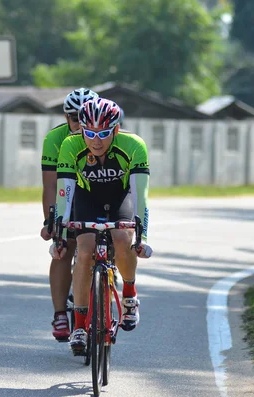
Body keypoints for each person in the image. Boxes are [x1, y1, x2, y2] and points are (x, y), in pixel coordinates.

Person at [52, 98, 153, 354]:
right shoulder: (70, 146)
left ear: (116, 130)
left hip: (119, 198)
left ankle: (129, 294)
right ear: (80, 130)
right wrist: (60, 237)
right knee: (84, 250)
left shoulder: (133, 146)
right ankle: (80, 325)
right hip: (87, 199)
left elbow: (141, 195)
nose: (96, 141)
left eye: (105, 134)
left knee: (122, 238)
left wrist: (142, 237)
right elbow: (64, 194)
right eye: (90, 133)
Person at [40, 87, 99, 342]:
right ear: (67, 119)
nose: (81, 123)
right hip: (68, 197)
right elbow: (51, 186)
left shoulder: (103, 136)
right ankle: (61, 313)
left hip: (99, 193)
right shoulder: (56, 139)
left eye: (86, 116)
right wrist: (51, 223)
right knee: (65, 244)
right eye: (75, 117)